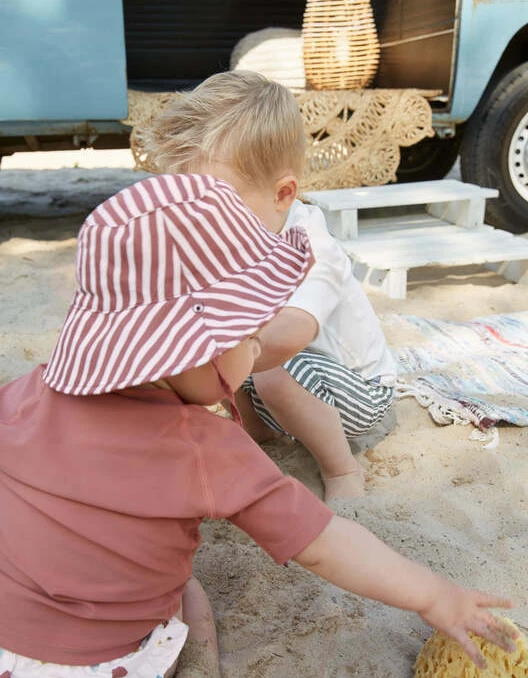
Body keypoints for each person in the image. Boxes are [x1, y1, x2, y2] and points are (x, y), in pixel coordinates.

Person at [0, 174, 517, 678]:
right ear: (183, 349)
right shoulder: (205, 446)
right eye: (244, 332)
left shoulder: (22, 395)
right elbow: (324, 543)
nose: (255, 348)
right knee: (187, 589)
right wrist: (434, 595)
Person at [142, 70, 398, 503]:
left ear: (282, 195)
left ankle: (341, 469)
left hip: (358, 399)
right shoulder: (222, 240)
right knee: (217, 329)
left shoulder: (311, 244)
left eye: (216, 205)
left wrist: (231, 350)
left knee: (261, 357)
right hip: (279, 391)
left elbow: (295, 329)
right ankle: (258, 429)